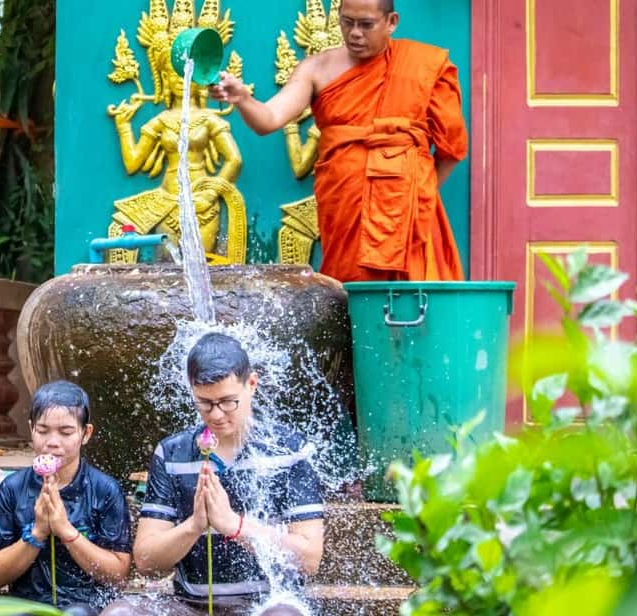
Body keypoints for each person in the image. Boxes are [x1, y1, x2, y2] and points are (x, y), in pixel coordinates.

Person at [209, 0, 468, 283]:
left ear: (391, 22)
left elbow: (451, 149)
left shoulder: (422, 66)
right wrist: (243, 99)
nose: (355, 33)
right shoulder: (316, 69)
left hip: (410, 214)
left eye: (366, 25)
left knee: (415, 303)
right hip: (344, 206)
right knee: (349, 296)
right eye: (347, 22)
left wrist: (416, 192)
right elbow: (269, 119)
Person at [101, 333, 324, 616]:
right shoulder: (172, 453)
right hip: (189, 605)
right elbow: (146, 560)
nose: (216, 415)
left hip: (269, 604)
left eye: (228, 402)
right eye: (204, 403)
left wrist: (234, 525)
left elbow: (309, 557)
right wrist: (194, 525)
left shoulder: (290, 450)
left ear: (251, 384)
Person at [0, 381, 132, 613]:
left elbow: (118, 575)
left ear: (86, 433)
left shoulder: (105, 489)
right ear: (31, 428)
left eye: (66, 432)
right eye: (42, 431)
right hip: (27, 602)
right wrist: (37, 533)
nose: (52, 442)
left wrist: (66, 530)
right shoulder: (13, 488)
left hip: (87, 604)